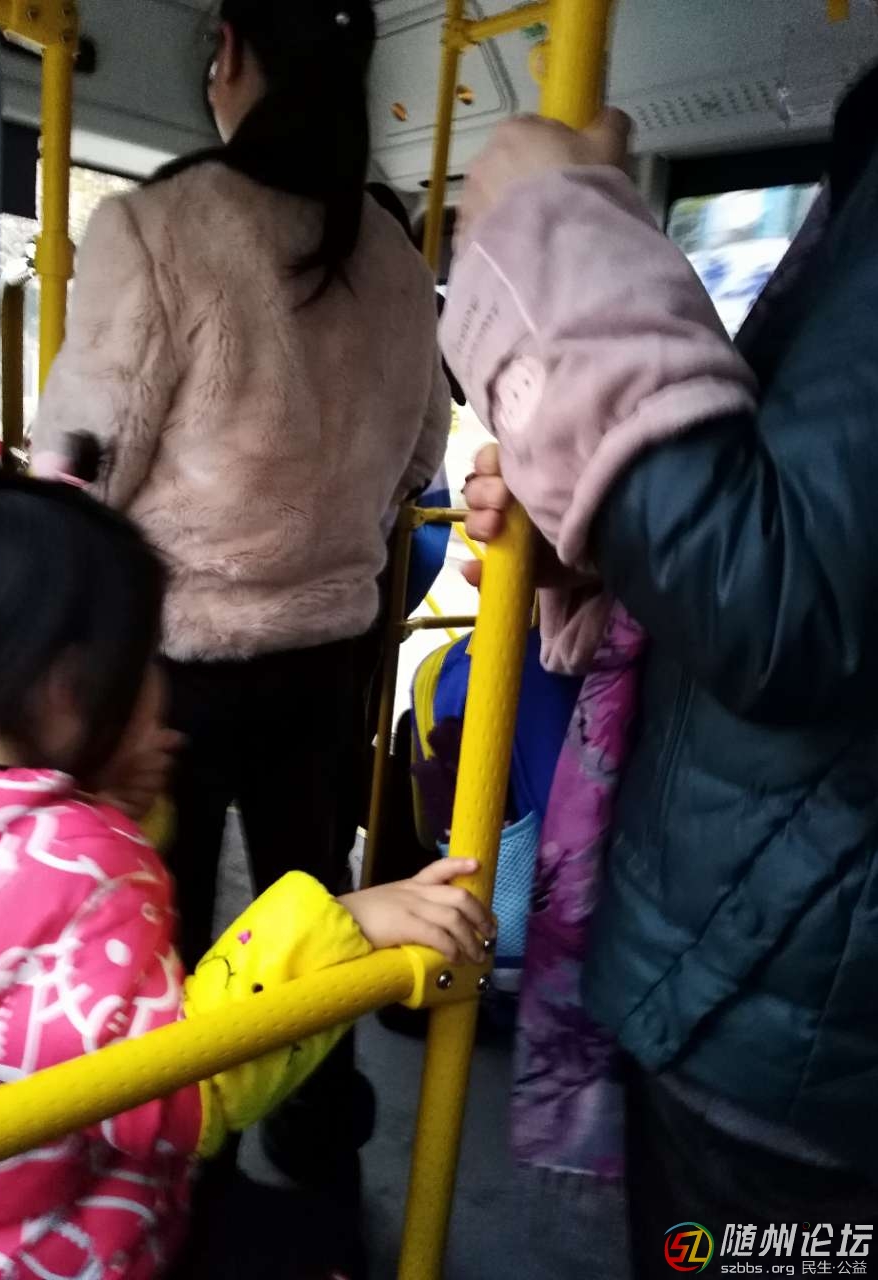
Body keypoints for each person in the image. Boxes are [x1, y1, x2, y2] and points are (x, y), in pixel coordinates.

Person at [445, 64, 878, 1278]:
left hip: (789, 1007)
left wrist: (553, 240)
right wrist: (619, 552)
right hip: (778, 952)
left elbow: (778, 601)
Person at [30, 0, 450, 1203]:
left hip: (168, 670)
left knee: (157, 937)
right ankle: (321, 1164)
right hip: (328, 662)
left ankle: (177, 1187)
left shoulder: (159, 226)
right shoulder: (393, 255)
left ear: (227, 50)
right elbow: (420, 457)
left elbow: (83, 465)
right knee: (318, 917)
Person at [0, 451, 493, 1279]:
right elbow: (170, 1094)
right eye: (147, 659)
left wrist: (112, 806)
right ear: (71, 690)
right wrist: (340, 929)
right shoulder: (66, 863)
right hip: (67, 1247)